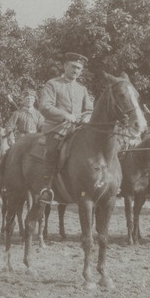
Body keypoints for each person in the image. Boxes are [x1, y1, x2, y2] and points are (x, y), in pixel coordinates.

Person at [38, 52, 94, 203]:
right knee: (52, 151)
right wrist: (64, 115)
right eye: (73, 66)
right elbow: (45, 106)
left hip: (77, 129)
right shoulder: (53, 84)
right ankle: (46, 188)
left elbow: (89, 109)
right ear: (65, 66)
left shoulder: (82, 89)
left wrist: (87, 116)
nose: (76, 70)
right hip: (57, 128)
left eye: (79, 68)